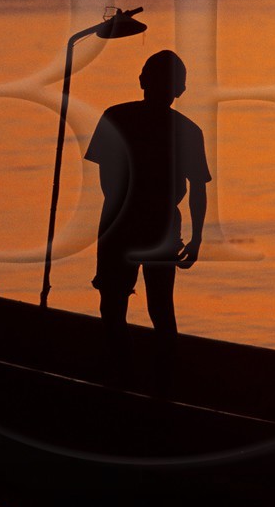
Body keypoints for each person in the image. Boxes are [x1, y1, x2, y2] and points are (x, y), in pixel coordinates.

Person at [84, 49, 210, 382]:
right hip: (156, 224)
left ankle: (121, 371)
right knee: (159, 307)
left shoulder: (116, 116)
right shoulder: (186, 129)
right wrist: (195, 239)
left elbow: (106, 181)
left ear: (142, 81)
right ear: (181, 90)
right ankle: (159, 375)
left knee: (115, 305)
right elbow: (197, 189)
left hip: (124, 221)